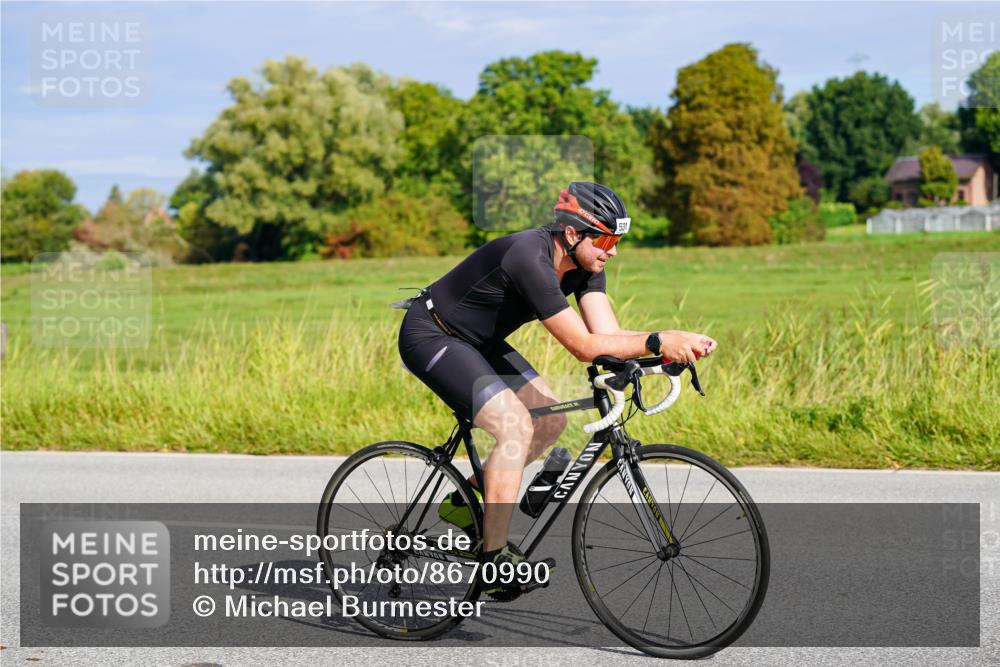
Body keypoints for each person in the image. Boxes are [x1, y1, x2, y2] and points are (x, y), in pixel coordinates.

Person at [396, 182, 717, 600]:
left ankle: (465, 502)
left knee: (549, 420)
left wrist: (663, 354)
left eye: (617, 240)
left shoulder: (588, 268)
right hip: (432, 335)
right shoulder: (528, 257)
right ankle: (493, 560)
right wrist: (660, 339)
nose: (613, 251)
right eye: (605, 239)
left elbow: (608, 335)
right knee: (514, 426)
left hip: (478, 340)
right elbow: (583, 347)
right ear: (572, 234)